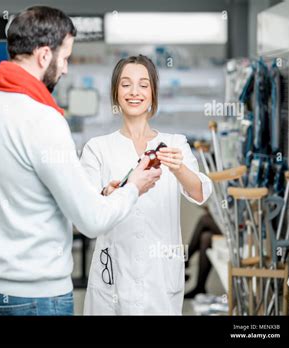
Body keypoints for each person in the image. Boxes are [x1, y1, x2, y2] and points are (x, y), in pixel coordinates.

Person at [0, 7, 161, 316]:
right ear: (44, 55)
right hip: (35, 296)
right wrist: (134, 189)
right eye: (64, 58)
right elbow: (90, 221)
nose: (65, 69)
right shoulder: (43, 119)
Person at [80, 55, 213, 315]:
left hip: (160, 278)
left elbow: (200, 193)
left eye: (143, 84)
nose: (134, 92)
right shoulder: (97, 148)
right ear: (115, 92)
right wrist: (109, 194)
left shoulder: (174, 143)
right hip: (113, 277)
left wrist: (178, 168)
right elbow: (87, 212)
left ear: (153, 92)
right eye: (126, 84)